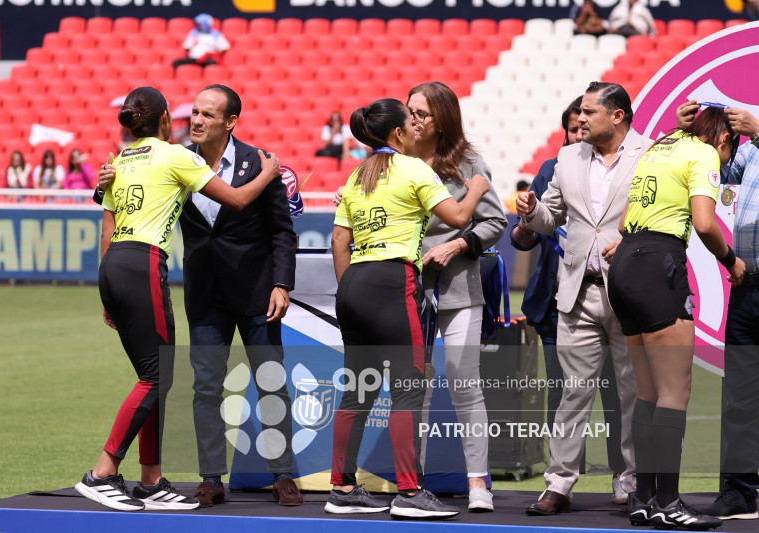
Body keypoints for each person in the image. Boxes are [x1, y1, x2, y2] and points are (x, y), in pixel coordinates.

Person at [75, 86, 280, 512]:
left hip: (112, 266)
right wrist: (269, 172)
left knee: (154, 378)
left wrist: (106, 292)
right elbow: (238, 199)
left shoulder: (119, 160)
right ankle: (103, 472)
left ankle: (151, 480)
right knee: (157, 378)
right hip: (143, 265)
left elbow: (106, 224)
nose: (196, 121)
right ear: (166, 119)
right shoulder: (176, 157)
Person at [327, 97, 489, 519]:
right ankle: (410, 493)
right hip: (393, 282)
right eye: (410, 123)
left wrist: (351, 292)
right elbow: (457, 217)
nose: (417, 128)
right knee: (407, 389)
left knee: (356, 392)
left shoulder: (356, 174)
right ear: (397, 133)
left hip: (353, 284)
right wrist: (475, 188)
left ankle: (341, 489)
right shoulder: (414, 168)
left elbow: (339, 241)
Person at [517, 81, 652, 516]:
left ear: (617, 116)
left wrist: (631, 241)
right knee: (572, 394)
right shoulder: (568, 157)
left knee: (631, 393)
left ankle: (631, 481)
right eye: (580, 112)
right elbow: (550, 216)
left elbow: (663, 215)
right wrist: (530, 210)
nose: (580, 119)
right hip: (577, 291)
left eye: (589, 112)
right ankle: (558, 485)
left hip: (629, 293)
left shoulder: (650, 155)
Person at [608, 105, 745, 530]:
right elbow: (704, 223)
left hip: (624, 263)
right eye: (729, 154)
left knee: (648, 393)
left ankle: (644, 498)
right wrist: (731, 261)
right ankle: (669, 503)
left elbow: (629, 217)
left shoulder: (660, 146)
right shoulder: (703, 153)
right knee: (674, 392)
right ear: (724, 139)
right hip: (658, 266)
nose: (725, 162)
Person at [179, 85, 302, 508]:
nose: (197, 120)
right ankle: (211, 478)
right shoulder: (177, 161)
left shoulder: (259, 163)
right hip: (204, 296)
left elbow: (283, 232)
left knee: (271, 384)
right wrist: (104, 185)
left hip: (258, 294)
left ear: (230, 122)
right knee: (206, 389)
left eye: (207, 115)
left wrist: (282, 284)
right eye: (195, 112)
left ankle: (282, 475)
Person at [407, 81, 507, 512]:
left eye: (422, 113)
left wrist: (458, 245)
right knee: (414, 388)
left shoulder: (469, 163)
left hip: (459, 287)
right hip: (407, 288)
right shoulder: (393, 159)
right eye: (410, 111)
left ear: (443, 119)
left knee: (464, 382)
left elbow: (495, 222)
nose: (413, 120)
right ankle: (412, 484)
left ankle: (478, 482)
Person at [677, 101, 759, 521]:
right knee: (739, 395)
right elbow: (715, 171)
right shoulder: (749, 149)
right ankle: (739, 489)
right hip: (749, 285)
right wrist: (687, 133)